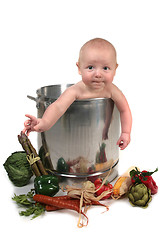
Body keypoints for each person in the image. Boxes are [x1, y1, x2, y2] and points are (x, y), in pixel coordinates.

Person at [23, 38, 132, 150]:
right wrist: (44, 123)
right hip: (72, 142)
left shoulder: (112, 90)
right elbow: (58, 107)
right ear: (79, 68)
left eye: (105, 68)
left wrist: (126, 132)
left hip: (102, 141)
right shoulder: (76, 90)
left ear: (115, 69)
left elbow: (125, 110)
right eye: (90, 67)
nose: (98, 74)